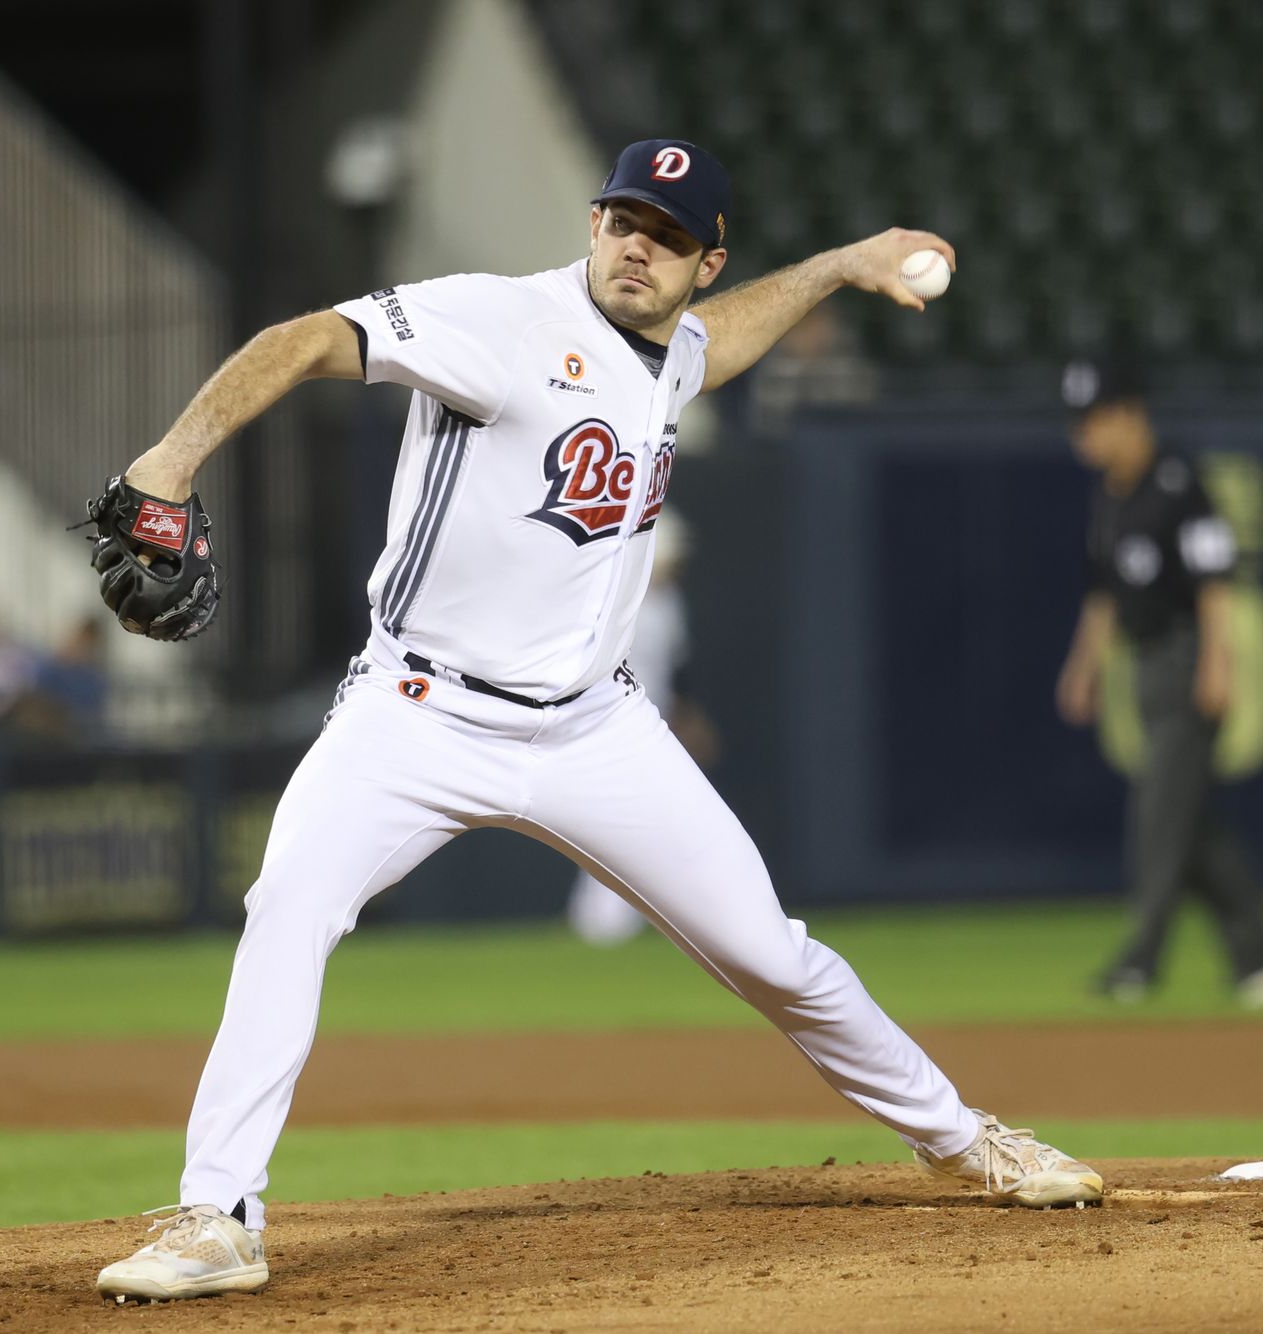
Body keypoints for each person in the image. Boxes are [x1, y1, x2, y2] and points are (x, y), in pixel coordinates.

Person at [94, 139, 1103, 1306]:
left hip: (593, 730)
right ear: (592, 222)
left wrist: (838, 264)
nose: (637, 247)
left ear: (704, 262)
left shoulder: (673, 346)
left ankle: (963, 1140)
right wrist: (170, 459)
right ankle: (218, 1211)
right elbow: (306, 338)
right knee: (288, 907)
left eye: (667, 237)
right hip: (415, 715)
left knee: (771, 953)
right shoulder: (497, 322)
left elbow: (715, 341)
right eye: (624, 220)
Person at [1055, 358, 1263, 1010]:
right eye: (1080, 422)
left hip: (1186, 656)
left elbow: (1214, 585)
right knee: (1190, 822)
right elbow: (1102, 597)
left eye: (1096, 419)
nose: (1085, 434)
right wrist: (1084, 668)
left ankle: (1141, 959)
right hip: (1145, 666)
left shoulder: (1178, 484)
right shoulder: (1111, 498)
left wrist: (1217, 665)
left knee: (1159, 818)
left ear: (1131, 414)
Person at [563, 506, 718, 945]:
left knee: (648, 823)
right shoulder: (611, 600)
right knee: (619, 824)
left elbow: (677, 672)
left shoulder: (668, 603)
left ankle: (615, 922)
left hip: (652, 726)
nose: (676, 564)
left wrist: (687, 717)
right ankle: (602, 923)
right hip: (607, 725)